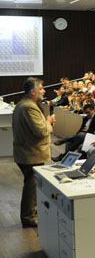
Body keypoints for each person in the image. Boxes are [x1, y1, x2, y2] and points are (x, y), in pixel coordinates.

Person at [13, 78, 55, 227]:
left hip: (26, 152)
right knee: (30, 187)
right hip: (31, 154)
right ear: (33, 91)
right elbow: (41, 131)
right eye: (42, 88)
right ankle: (29, 217)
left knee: (31, 185)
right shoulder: (29, 107)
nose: (44, 91)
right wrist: (49, 122)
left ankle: (32, 213)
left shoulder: (23, 104)